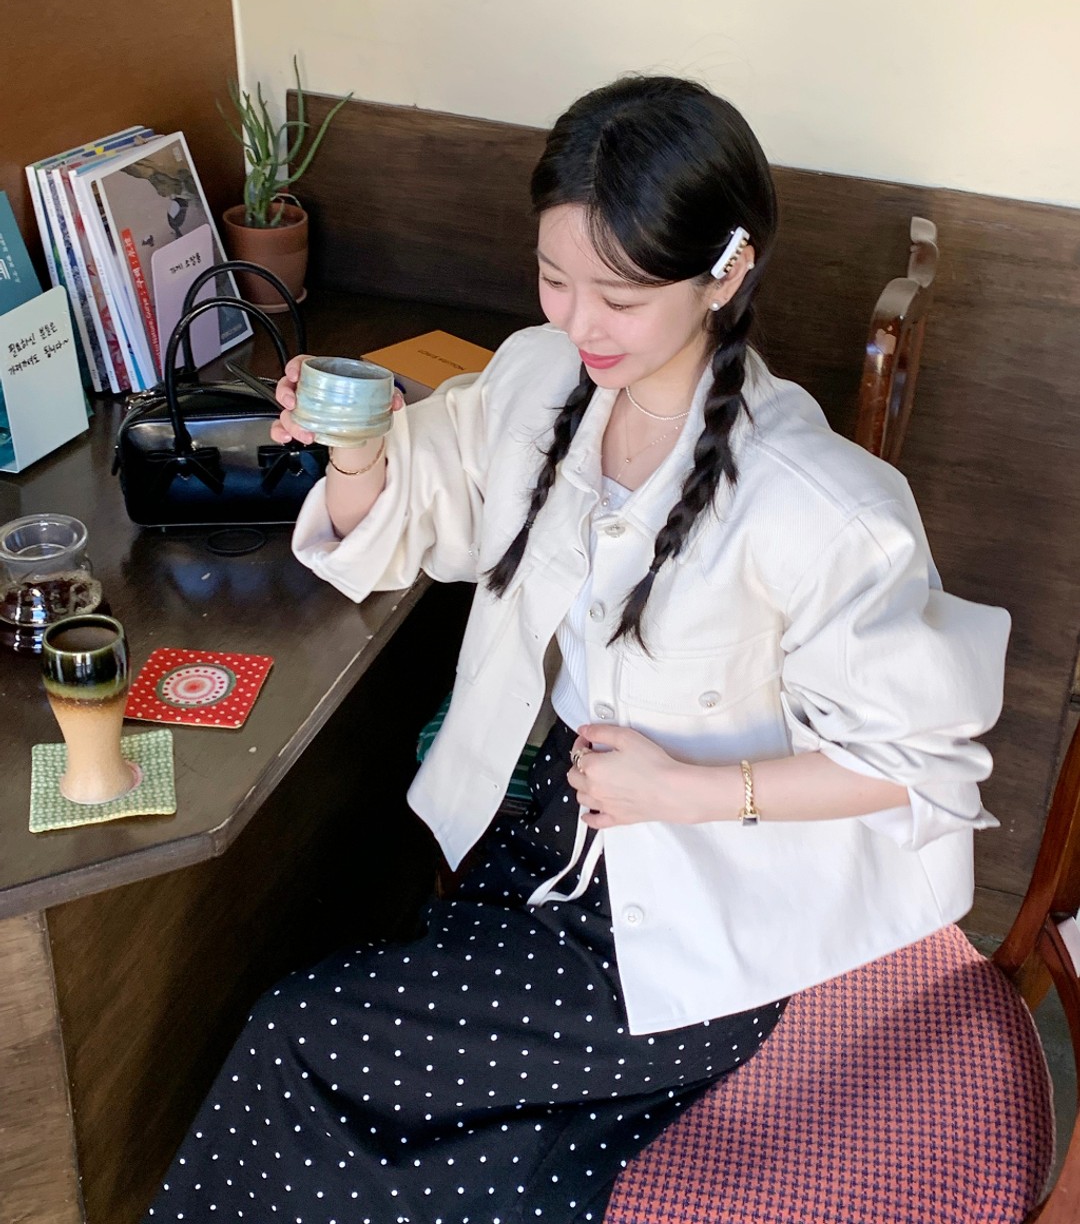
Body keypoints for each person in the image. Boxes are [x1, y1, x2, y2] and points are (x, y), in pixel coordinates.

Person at [144, 76, 1009, 1224]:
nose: (579, 322)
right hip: (537, 843)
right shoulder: (541, 377)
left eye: (621, 296)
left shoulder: (820, 505)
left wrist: (686, 790)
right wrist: (354, 450)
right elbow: (424, 512)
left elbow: (921, 766)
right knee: (461, 1146)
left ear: (727, 272)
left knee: (299, 1031)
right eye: (555, 278)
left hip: (695, 921)